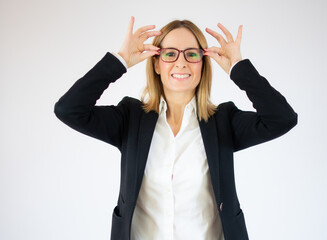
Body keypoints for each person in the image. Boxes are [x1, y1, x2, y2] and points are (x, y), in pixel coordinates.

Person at [54, 16, 297, 240]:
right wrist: (119, 61)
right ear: (157, 64)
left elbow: (282, 119)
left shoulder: (223, 122)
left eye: (191, 54)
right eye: (170, 54)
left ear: (203, 64)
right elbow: (69, 109)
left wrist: (238, 68)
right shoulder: (130, 118)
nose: (181, 62)